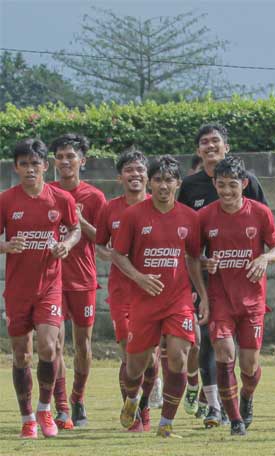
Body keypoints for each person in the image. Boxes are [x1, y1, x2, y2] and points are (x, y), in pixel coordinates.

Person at [177, 123, 269, 427]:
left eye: (216, 141)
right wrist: (199, 271)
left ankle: (239, 401)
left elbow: (267, 236)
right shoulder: (189, 187)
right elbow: (189, 242)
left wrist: (263, 259)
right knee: (210, 345)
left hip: (248, 288)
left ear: (226, 146)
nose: (210, 146)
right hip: (208, 284)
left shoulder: (250, 184)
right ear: (198, 150)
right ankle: (218, 407)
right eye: (204, 142)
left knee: (246, 359)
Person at [113, 156, 209, 438]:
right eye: (158, 180)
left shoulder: (190, 218)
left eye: (169, 180)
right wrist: (139, 278)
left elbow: (192, 258)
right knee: (135, 368)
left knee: (179, 357)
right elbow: (118, 255)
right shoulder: (133, 216)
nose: (163, 185)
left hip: (178, 300)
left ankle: (166, 424)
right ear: (149, 183)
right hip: (143, 302)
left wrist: (202, 295)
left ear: (178, 183)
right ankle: (132, 399)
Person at [1, 138, 81, 439]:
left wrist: (67, 245)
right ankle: (27, 418)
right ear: (16, 168)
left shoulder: (60, 199)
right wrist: (6, 245)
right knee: (21, 355)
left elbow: (74, 229)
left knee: (49, 347)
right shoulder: (6, 200)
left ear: (45, 166)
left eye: (36, 163)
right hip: (18, 291)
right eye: (24, 164)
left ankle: (46, 410)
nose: (31, 169)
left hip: (49, 287)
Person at [198, 156, 275, 435]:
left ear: (244, 184)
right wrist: (205, 261)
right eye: (221, 185)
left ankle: (246, 397)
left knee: (249, 366)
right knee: (224, 353)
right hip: (220, 298)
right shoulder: (206, 216)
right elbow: (193, 255)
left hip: (253, 301)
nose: (226, 191)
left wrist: (264, 259)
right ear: (214, 184)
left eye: (232, 185)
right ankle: (235, 420)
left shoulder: (259, 213)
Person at [95, 148, 160, 431]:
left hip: (155, 292)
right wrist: (114, 255)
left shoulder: (161, 204)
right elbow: (99, 245)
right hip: (122, 293)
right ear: (120, 176)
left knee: (151, 359)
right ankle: (132, 411)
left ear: (148, 176)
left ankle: (143, 405)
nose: (135, 175)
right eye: (129, 170)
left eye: (139, 170)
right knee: (128, 354)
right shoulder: (110, 208)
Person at [46, 134, 106, 430]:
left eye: (71, 156)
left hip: (83, 280)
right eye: (60, 156)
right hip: (51, 282)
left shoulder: (94, 197)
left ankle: (78, 397)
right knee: (54, 343)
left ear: (82, 161)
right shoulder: (45, 192)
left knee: (82, 344)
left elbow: (104, 240)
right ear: (53, 161)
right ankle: (61, 406)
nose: (65, 161)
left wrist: (79, 222)